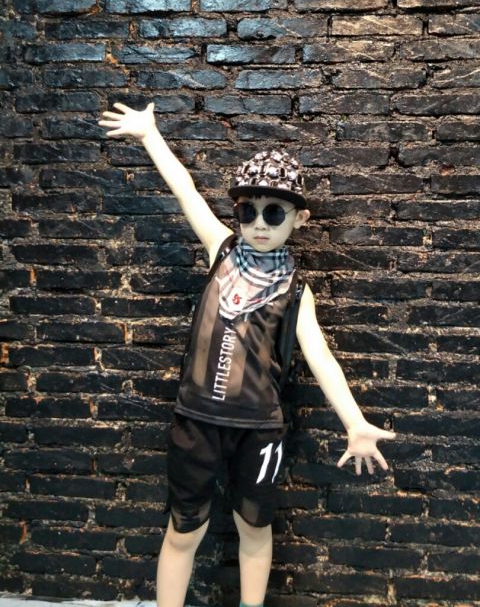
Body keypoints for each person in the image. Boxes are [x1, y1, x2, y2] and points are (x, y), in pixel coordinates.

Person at [99, 102, 396, 607]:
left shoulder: (295, 290)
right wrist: (150, 135)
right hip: (196, 419)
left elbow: (320, 357)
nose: (259, 223)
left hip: (259, 428)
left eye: (273, 212)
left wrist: (354, 422)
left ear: (298, 219)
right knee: (183, 529)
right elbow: (186, 192)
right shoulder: (221, 250)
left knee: (255, 528)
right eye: (247, 211)